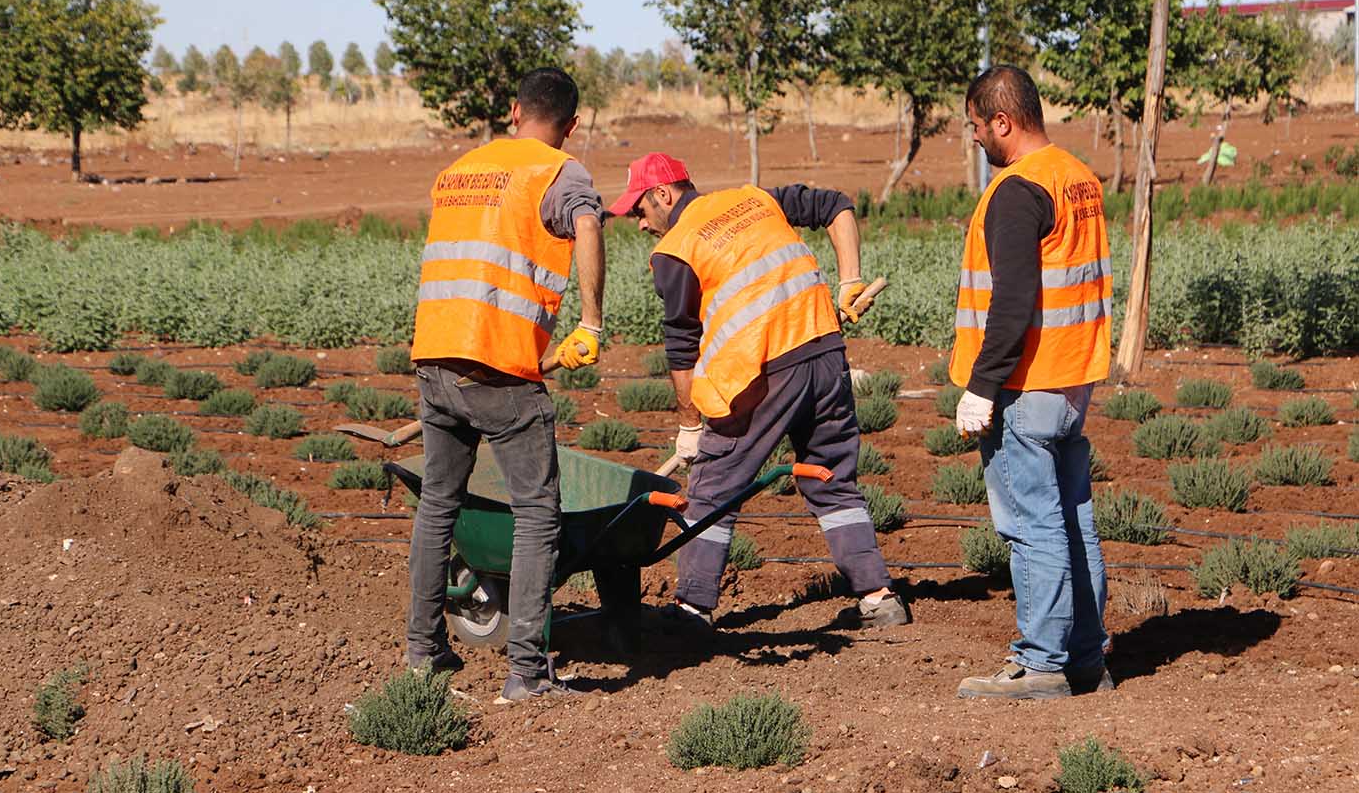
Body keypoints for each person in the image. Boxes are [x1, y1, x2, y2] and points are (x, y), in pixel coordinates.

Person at [608, 152, 911, 630]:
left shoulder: (676, 249)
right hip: (825, 352)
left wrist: (690, 426)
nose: (640, 224)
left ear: (662, 194)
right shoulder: (754, 199)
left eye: (639, 210)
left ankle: (691, 610)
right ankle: (878, 595)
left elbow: (682, 350)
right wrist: (849, 279)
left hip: (762, 372)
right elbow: (836, 205)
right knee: (831, 477)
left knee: (711, 487)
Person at [406, 67, 606, 704]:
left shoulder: (460, 169)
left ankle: (423, 651)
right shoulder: (559, 171)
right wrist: (592, 323)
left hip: (435, 357)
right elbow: (590, 226)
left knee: (439, 503)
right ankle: (526, 673)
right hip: (498, 368)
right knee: (538, 514)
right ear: (572, 125)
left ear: (514, 111)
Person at [950, 65, 1114, 699]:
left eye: (975, 126)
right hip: (1074, 381)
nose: (973, 139)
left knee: (1031, 523)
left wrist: (983, 387)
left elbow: (1013, 302)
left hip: (1027, 385)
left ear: (1003, 122)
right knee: (1074, 519)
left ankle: (1041, 662)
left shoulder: (1017, 191)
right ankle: (1083, 660)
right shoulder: (1078, 177)